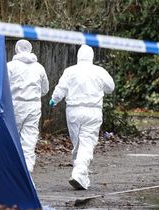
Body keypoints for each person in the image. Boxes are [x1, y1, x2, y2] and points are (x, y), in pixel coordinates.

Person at [49, 44, 114, 190]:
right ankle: (79, 173)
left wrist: (54, 99)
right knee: (86, 142)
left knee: (78, 142)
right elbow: (111, 87)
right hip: (93, 111)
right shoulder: (99, 71)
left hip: (73, 111)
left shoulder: (70, 71)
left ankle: (80, 174)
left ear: (78, 56)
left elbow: (61, 88)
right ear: (91, 57)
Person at [7, 39, 49, 173]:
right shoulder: (39, 67)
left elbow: (3, 87)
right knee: (29, 139)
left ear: (16, 49)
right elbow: (45, 90)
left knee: (12, 137)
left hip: (14, 105)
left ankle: (11, 169)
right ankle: (27, 171)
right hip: (34, 106)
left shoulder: (10, 66)